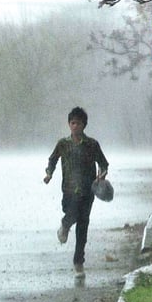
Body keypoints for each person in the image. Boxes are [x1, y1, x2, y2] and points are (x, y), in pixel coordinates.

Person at [43, 107, 109, 277]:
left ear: (84, 125)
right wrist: (49, 173)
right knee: (71, 215)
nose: (75, 126)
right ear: (68, 124)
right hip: (69, 190)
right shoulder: (63, 144)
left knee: (83, 225)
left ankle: (79, 262)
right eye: (72, 123)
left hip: (88, 191)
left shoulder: (92, 145)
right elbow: (53, 159)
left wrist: (101, 175)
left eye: (78, 123)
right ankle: (65, 225)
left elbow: (103, 163)